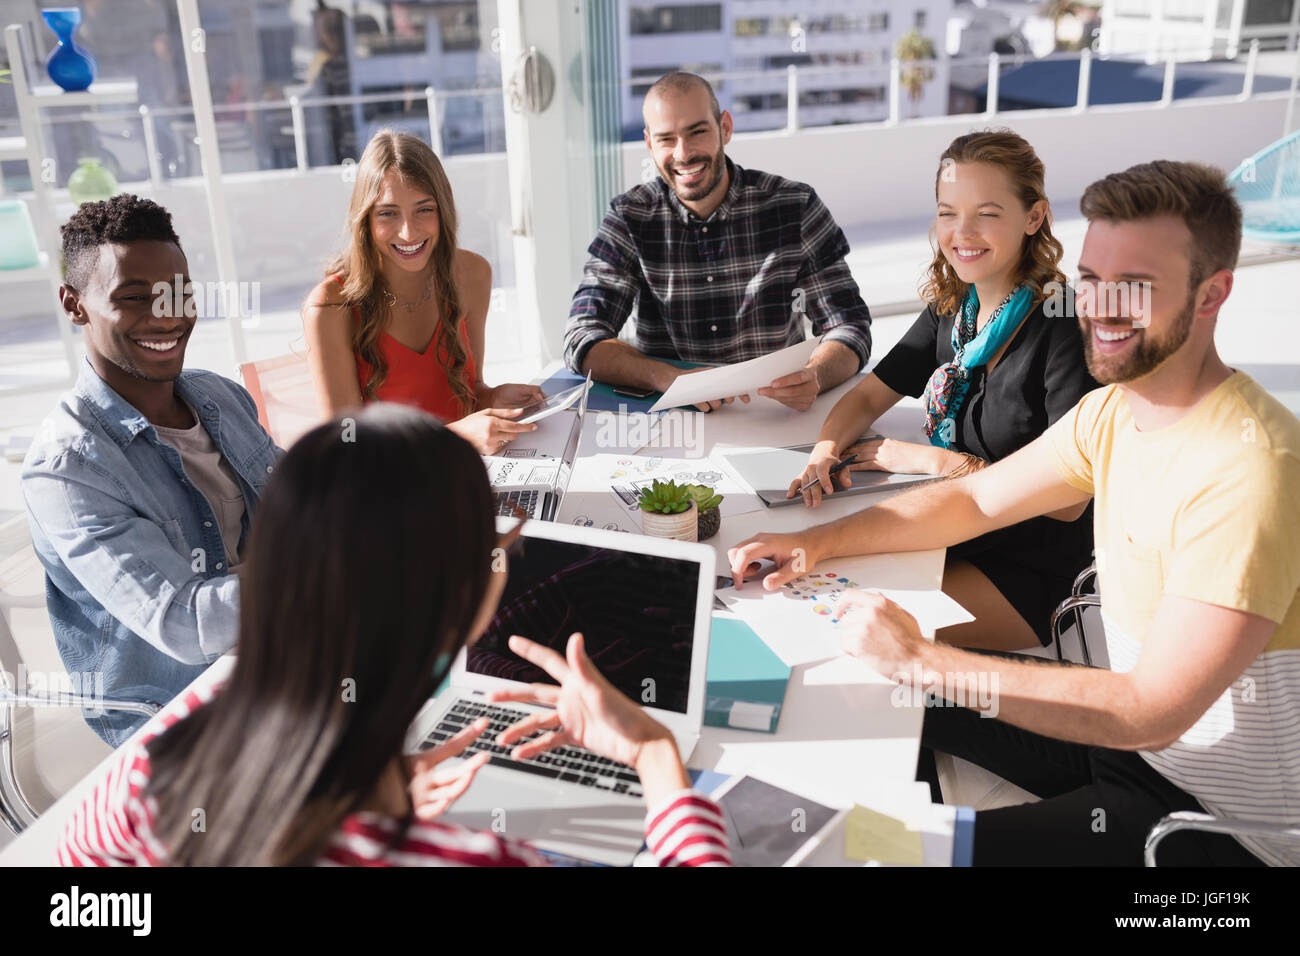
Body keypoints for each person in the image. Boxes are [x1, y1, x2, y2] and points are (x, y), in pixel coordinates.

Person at [728, 161, 1300, 866]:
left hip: (1215, 830)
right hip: (1122, 745)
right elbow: (973, 499)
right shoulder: (1113, 412)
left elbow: (1155, 709)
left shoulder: (1249, 467)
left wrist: (923, 659)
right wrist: (812, 543)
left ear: (1213, 294)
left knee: (897, 854)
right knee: (860, 684)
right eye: (1091, 281)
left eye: (1136, 288)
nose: (1099, 307)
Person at [56, 406, 731, 867]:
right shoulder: (473, 859)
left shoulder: (155, 770)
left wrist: (369, 789)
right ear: (461, 600)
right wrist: (654, 759)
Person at [789, 131, 1097, 651]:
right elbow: (868, 397)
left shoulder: (1064, 324)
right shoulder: (956, 308)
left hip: (1025, 568)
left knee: (848, 630)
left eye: (988, 213)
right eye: (948, 212)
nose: (962, 232)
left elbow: (1068, 499)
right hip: (953, 526)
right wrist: (825, 451)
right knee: (807, 588)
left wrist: (926, 460)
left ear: (1034, 217)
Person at [22, 194, 280, 747]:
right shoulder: (68, 468)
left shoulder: (220, 397)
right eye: (134, 297)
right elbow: (187, 624)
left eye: (178, 292)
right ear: (74, 304)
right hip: (191, 730)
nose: (166, 314)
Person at [564, 72, 872, 413]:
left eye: (697, 132)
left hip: (776, 415)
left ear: (725, 127)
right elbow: (583, 335)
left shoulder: (794, 206)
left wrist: (816, 375)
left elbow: (849, 325)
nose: (683, 154)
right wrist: (667, 378)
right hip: (670, 418)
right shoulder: (628, 217)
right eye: (666, 139)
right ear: (650, 144)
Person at [302, 129, 545, 454]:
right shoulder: (330, 307)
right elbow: (346, 446)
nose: (408, 231)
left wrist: (493, 398)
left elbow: (469, 393)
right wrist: (454, 437)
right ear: (365, 220)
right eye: (388, 213)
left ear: (443, 210)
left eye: (424, 209)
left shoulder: (472, 275)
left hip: (465, 472)